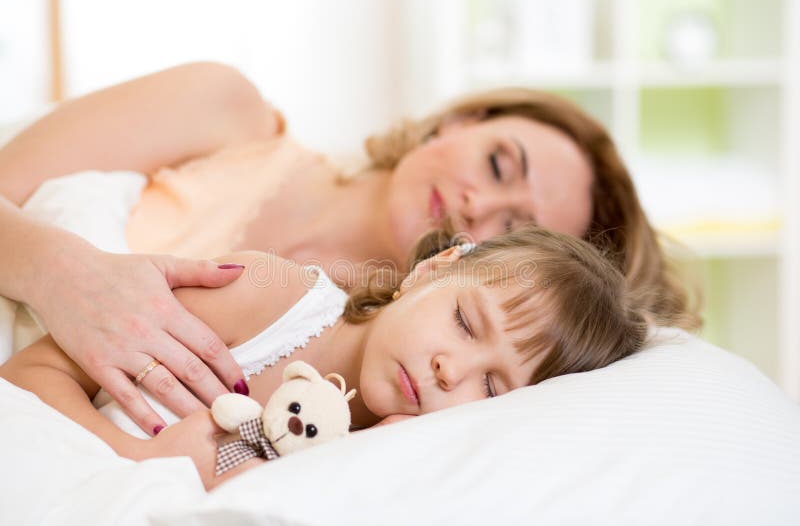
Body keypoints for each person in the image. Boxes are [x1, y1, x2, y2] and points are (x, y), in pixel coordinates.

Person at [0, 62, 698, 436]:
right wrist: (61, 272)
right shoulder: (223, 108)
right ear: (459, 122)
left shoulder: (384, 395)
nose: (477, 206)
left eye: (512, 228)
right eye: (496, 165)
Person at [0, 223, 650, 490]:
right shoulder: (264, 296)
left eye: (492, 390)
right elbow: (30, 374)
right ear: (435, 269)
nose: (453, 370)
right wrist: (139, 462)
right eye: (463, 321)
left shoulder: (399, 466)